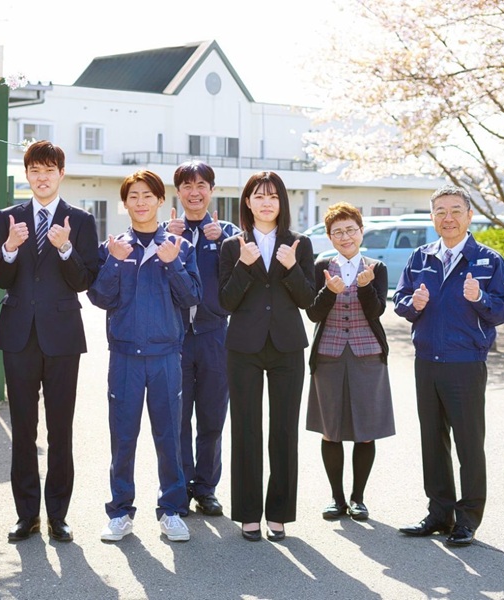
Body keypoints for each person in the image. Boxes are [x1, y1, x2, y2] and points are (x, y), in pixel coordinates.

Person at [393, 184, 504, 547]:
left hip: (465, 362)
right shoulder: (421, 257)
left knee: (468, 443)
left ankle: (468, 519)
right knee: (432, 441)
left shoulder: (488, 260)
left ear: (469, 215)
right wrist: (412, 304)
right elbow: (400, 300)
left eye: (455, 211)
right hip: (426, 361)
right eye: (441, 211)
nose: (448, 218)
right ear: (432, 217)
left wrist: (480, 298)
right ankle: (438, 513)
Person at [0, 140, 99, 543]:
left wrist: (65, 248)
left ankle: (58, 515)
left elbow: (85, 280)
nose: (41, 177)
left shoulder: (81, 220)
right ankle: (26, 515)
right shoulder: (9, 218)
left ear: (61, 174)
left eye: (49, 170)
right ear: (27, 174)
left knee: (60, 430)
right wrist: (9, 248)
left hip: (62, 336)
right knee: (22, 429)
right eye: (34, 170)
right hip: (19, 335)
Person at [88, 169, 202, 542]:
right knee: (123, 437)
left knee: (169, 436)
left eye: (147, 195)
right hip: (125, 356)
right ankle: (120, 511)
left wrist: (172, 263)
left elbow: (192, 297)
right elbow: (99, 298)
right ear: (125, 204)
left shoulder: (179, 247)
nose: (140, 202)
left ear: (160, 201)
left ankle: (171, 510)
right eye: (133, 196)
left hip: (166, 356)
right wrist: (114, 262)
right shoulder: (113, 247)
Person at [218, 171, 315, 542]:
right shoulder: (232, 246)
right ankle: (248, 514)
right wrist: (244, 265)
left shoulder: (300, 244)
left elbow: (308, 300)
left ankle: (279, 513)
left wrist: (291, 267)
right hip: (244, 347)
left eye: (273, 196)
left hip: (287, 346)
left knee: (284, 431)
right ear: (247, 202)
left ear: (282, 202)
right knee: (245, 429)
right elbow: (225, 302)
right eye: (258, 196)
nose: (266, 202)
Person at [305, 202, 395, 522]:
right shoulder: (321, 266)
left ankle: (358, 498)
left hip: (366, 354)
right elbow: (313, 313)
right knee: (331, 429)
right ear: (330, 237)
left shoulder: (376, 267)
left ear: (361, 231)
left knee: (365, 430)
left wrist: (366, 286)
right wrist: (329, 292)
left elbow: (376, 312)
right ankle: (337, 498)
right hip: (329, 354)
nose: (345, 237)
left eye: (351, 230)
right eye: (338, 232)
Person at [163, 161, 240, 517]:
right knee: (177, 418)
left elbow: (247, 277)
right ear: (178, 192)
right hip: (175, 337)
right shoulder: (165, 231)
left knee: (212, 417)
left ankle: (206, 489)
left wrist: (222, 243)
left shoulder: (228, 233)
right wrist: (167, 240)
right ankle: (179, 488)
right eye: (187, 186)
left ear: (212, 190)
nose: (194, 193)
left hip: (214, 336)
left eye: (201, 186)